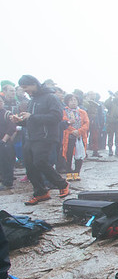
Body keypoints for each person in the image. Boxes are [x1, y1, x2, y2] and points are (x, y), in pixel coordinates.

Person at [16, 75, 70, 205]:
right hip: (31, 137)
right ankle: (41, 192)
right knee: (29, 165)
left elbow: (56, 117)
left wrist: (32, 116)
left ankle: (62, 184)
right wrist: (21, 121)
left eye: (26, 87)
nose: (25, 91)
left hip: (46, 137)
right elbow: (32, 120)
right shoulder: (32, 100)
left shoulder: (51, 97)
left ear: (34, 84)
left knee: (40, 162)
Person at [61, 94, 89, 181]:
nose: (73, 102)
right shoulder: (64, 112)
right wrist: (72, 130)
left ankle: (77, 172)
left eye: (75, 100)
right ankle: (69, 172)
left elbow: (86, 123)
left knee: (79, 154)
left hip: (80, 136)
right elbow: (64, 122)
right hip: (69, 136)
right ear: (67, 102)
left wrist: (79, 131)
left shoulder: (82, 112)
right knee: (68, 154)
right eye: (71, 100)